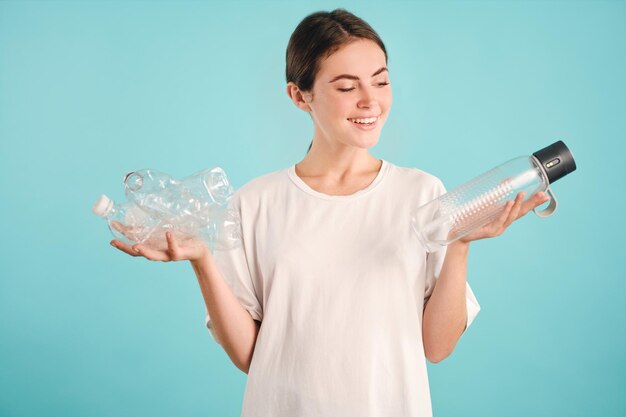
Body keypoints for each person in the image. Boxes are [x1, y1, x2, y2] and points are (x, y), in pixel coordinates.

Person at [111, 8, 550, 417]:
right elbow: (251, 357)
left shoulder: (422, 194)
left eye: (380, 81)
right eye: (346, 87)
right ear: (300, 96)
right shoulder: (255, 203)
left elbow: (436, 347)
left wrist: (460, 242)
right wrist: (203, 260)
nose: (370, 101)